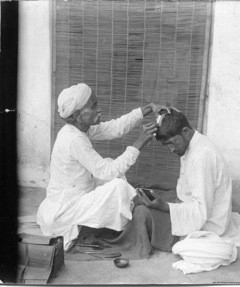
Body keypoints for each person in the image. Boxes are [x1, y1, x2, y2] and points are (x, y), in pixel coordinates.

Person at [36, 83, 168, 249]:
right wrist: (140, 142)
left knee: (111, 165)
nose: (99, 110)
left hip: (77, 195)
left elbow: (114, 128)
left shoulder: (78, 129)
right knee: (118, 185)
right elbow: (108, 173)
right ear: (77, 115)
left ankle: (132, 209)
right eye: (93, 106)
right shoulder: (74, 139)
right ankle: (138, 215)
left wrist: (147, 109)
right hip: (65, 211)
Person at [98, 109, 240, 258]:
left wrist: (164, 206)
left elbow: (202, 212)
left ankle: (126, 239)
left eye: (171, 143)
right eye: (166, 145)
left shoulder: (202, 156)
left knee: (141, 213)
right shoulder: (191, 141)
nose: (171, 149)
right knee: (142, 196)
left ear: (186, 131)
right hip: (192, 206)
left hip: (206, 224)